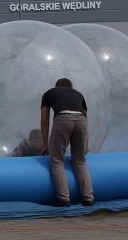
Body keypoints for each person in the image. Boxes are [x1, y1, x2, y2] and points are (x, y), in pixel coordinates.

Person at [40, 77, 95, 207]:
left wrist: (45, 145)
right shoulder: (79, 94)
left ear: (56, 86)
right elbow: (85, 119)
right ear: (71, 88)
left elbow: (44, 120)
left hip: (63, 118)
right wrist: (86, 145)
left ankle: (63, 198)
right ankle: (88, 198)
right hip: (81, 120)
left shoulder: (49, 93)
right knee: (80, 161)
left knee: (57, 160)